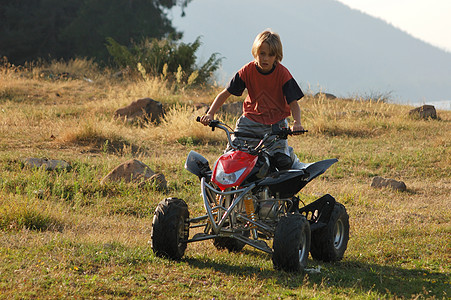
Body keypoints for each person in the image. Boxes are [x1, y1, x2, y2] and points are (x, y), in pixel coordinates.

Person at [200, 29, 305, 170]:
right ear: (256, 52)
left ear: (277, 56)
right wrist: (210, 113)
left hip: (275, 125)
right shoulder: (247, 71)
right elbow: (225, 94)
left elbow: (294, 104)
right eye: (262, 53)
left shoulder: (282, 73)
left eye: (270, 55)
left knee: (281, 161)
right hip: (249, 122)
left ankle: (284, 166)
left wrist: (297, 123)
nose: (265, 59)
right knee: (231, 157)